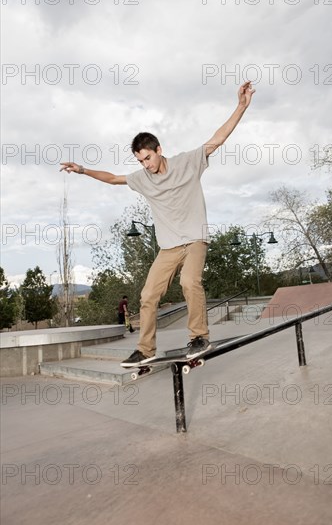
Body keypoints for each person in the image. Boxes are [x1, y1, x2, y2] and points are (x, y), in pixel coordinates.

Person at [60, 81, 255, 366]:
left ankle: (199, 336)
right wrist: (83, 170)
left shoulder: (188, 162)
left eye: (148, 158)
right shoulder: (141, 178)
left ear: (159, 150)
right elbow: (113, 178)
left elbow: (217, 138)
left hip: (195, 240)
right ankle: (145, 349)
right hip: (169, 247)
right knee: (148, 294)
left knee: (189, 281)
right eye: (140, 161)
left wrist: (240, 106)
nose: (146, 165)